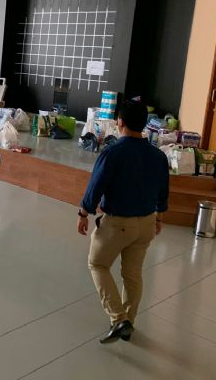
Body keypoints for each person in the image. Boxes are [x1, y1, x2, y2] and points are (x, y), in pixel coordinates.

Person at [77, 98, 169, 344]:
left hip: (118, 223)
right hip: (147, 223)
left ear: (120, 122)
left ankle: (119, 319)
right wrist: (159, 217)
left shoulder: (114, 152)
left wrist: (83, 213)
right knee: (133, 275)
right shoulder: (158, 156)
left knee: (97, 264)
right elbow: (163, 191)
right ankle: (129, 321)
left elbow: (96, 186)